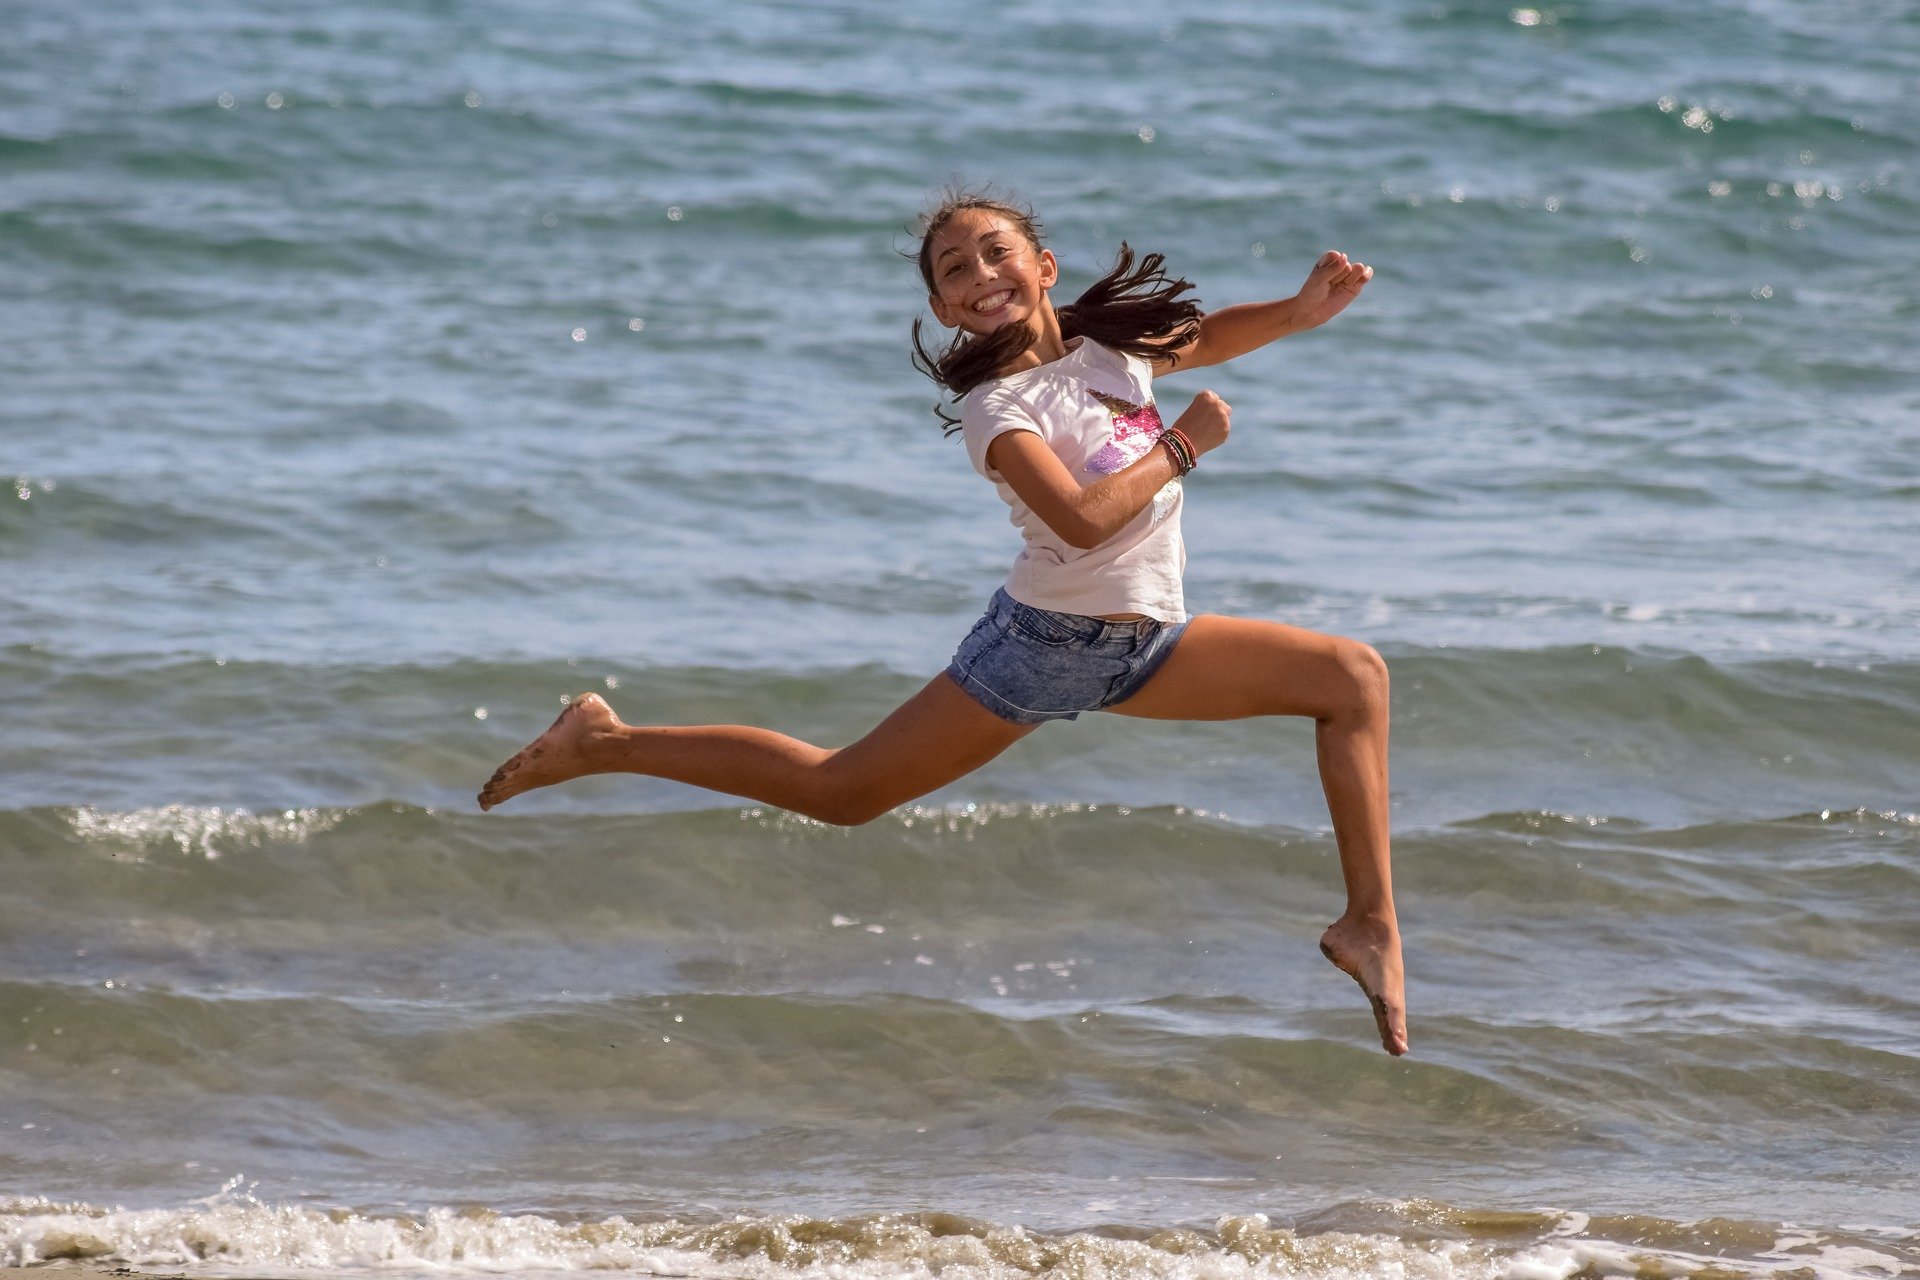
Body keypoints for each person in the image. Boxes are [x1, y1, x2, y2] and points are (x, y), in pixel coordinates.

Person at [478, 189, 1407, 1055]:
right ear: (947, 309)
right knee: (843, 793)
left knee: (1350, 677)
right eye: (954, 271)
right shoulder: (995, 410)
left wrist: (1298, 309)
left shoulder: (1113, 348)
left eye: (994, 253)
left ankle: (1368, 924)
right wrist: (1180, 447)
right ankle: (606, 742)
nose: (978, 275)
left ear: (1043, 267)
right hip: (1045, 648)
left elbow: (1202, 337)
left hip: (1150, 643)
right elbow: (1079, 525)